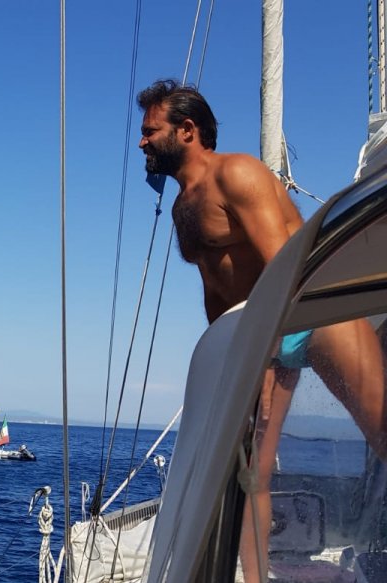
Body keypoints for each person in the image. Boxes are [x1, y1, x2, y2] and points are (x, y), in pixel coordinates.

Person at [137, 79, 386, 582]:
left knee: (384, 432)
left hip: (312, 318)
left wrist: (266, 359)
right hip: (261, 336)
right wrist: (234, 366)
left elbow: (285, 271)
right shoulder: (186, 203)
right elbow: (216, 292)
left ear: (186, 131)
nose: (142, 141)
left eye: (151, 131)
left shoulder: (237, 173)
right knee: (255, 476)